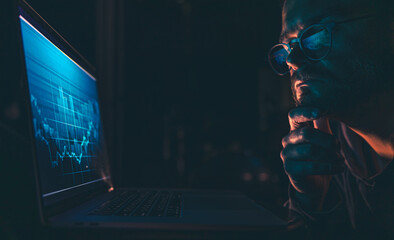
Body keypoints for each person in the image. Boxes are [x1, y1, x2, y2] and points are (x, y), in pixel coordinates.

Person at [268, 0, 394, 238]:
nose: (293, 60)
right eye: (286, 47)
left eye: (314, 36)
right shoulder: (329, 149)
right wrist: (311, 201)